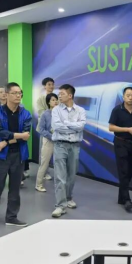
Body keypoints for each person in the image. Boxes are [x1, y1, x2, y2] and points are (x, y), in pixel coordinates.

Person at [0, 82, 31, 227]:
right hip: (0, 156)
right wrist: (19, 135)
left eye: (20, 93)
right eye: (15, 93)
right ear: (6, 95)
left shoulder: (25, 113)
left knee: (15, 188)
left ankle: (11, 216)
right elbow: (1, 132)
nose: (18, 95)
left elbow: (26, 135)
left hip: (18, 154)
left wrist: (6, 142)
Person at [51, 84, 86, 218]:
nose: (59, 96)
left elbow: (81, 126)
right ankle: (60, 206)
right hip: (60, 145)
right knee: (60, 176)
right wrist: (73, 127)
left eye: (62, 94)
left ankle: (68, 197)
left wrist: (66, 123)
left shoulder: (80, 110)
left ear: (70, 96)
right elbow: (57, 127)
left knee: (72, 175)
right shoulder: (56, 110)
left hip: (75, 145)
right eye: (59, 94)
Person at [108, 87, 132, 212]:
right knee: (123, 170)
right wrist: (127, 129)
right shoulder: (117, 110)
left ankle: (121, 198)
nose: (130, 97)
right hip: (120, 142)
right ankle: (127, 200)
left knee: (129, 171)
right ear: (123, 96)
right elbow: (111, 127)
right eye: (128, 95)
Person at [35, 93, 59, 192]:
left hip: (59, 141)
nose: (55, 102)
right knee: (44, 163)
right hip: (48, 141)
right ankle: (38, 184)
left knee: (59, 164)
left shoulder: (60, 113)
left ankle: (59, 186)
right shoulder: (45, 114)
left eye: (56, 100)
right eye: (53, 100)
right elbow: (41, 129)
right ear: (48, 102)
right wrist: (52, 136)